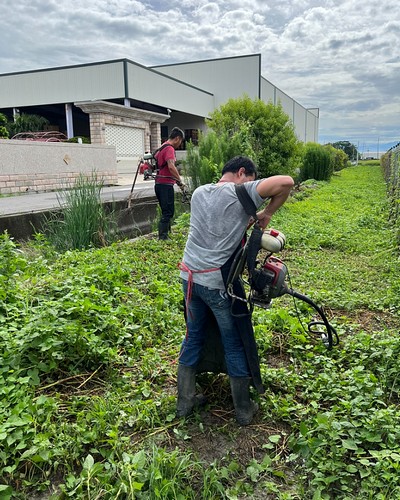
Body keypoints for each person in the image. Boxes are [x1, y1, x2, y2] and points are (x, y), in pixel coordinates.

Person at [177, 156, 294, 425]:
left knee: (193, 336)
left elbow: (219, 224)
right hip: (218, 284)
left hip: (189, 278)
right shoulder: (242, 191)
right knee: (234, 342)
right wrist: (267, 213)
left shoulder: (198, 193)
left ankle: (185, 402)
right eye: (251, 178)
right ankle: (243, 409)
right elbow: (286, 183)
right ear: (242, 173)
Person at [154, 127, 185, 240]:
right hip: (165, 184)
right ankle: (163, 237)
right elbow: (171, 167)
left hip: (159, 183)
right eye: (180, 141)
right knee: (168, 212)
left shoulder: (162, 146)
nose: (180, 144)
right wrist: (180, 181)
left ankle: (167, 232)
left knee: (165, 210)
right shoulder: (170, 149)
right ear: (177, 138)